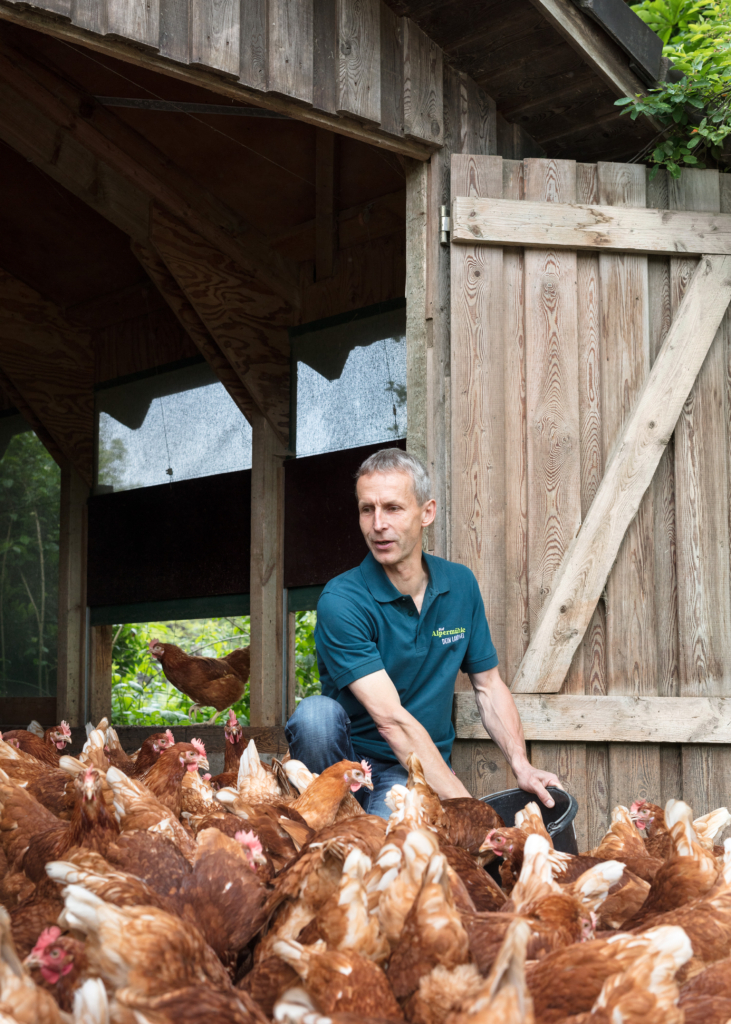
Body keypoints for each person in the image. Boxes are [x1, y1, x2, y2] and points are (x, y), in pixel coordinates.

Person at [285, 447, 560, 819]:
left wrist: (521, 765)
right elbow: (391, 721)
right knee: (314, 715)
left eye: (393, 508)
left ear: (426, 512)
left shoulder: (459, 585)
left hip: (410, 770)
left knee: (386, 851)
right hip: (345, 767)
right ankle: (325, 813)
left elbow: (489, 687)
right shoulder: (343, 599)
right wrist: (469, 812)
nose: (378, 524)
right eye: (367, 509)